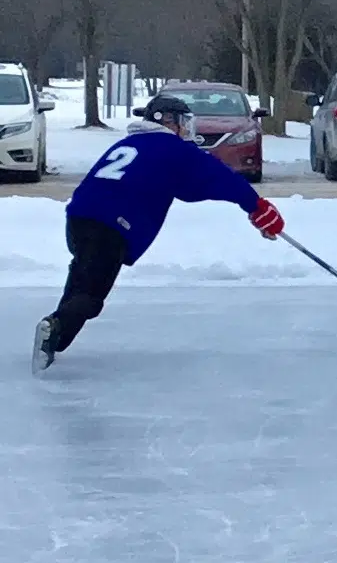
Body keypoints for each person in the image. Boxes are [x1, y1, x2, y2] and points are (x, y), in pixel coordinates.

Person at [33, 93, 286, 371]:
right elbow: (218, 177)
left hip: (80, 218)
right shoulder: (171, 147)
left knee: (82, 280)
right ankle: (55, 325)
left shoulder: (130, 143)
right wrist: (256, 206)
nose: (186, 129)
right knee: (91, 296)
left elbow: (188, 190)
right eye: (182, 122)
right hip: (112, 225)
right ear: (166, 121)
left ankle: (53, 338)